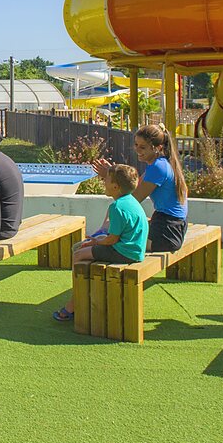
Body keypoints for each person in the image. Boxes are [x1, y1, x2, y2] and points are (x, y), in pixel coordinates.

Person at [52, 164, 149, 321]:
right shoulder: (131, 201)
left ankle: (75, 302)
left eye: (107, 179)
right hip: (134, 251)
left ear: (115, 187)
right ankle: (82, 295)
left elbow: (112, 239)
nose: (104, 182)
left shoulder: (117, 207)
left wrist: (96, 242)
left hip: (123, 252)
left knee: (78, 254)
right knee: (82, 248)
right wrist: (98, 241)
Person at [92, 124, 188, 253]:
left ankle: (100, 235)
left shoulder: (158, 168)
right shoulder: (161, 163)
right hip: (171, 226)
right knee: (114, 221)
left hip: (167, 233)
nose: (137, 150)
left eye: (143, 147)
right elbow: (133, 186)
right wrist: (112, 174)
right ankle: (101, 234)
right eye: (136, 145)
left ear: (158, 148)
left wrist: (111, 178)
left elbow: (130, 201)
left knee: (112, 235)